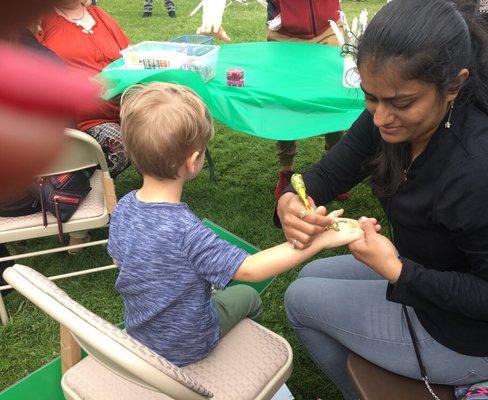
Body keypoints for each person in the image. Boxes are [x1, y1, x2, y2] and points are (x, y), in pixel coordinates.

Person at [276, 0, 488, 398]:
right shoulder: (395, 104)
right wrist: (291, 200)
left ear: (454, 84)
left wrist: (399, 271)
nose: (379, 118)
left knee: (300, 298)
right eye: (370, 97)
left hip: (471, 340)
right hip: (426, 273)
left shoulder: (487, 170)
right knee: (311, 275)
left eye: (399, 103)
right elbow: (329, 173)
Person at [108, 82, 364, 367]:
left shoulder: (123, 207)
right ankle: (236, 360)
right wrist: (322, 239)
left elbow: (120, 260)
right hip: (190, 345)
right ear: (193, 161)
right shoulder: (186, 231)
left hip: (141, 335)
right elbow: (251, 270)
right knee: (247, 297)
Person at [197, 0, 350, 201]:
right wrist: (212, 15)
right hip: (285, 35)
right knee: (284, 102)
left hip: (328, 29)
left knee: (332, 99)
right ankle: (286, 170)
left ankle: (333, 168)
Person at [39, 0, 130, 179]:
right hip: (84, 121)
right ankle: (81, 182)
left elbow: (129, 54)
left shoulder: (100, 15)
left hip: (126, 106)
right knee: (123, 144)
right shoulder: (42, 22)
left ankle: (157, 179)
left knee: (162, 122)